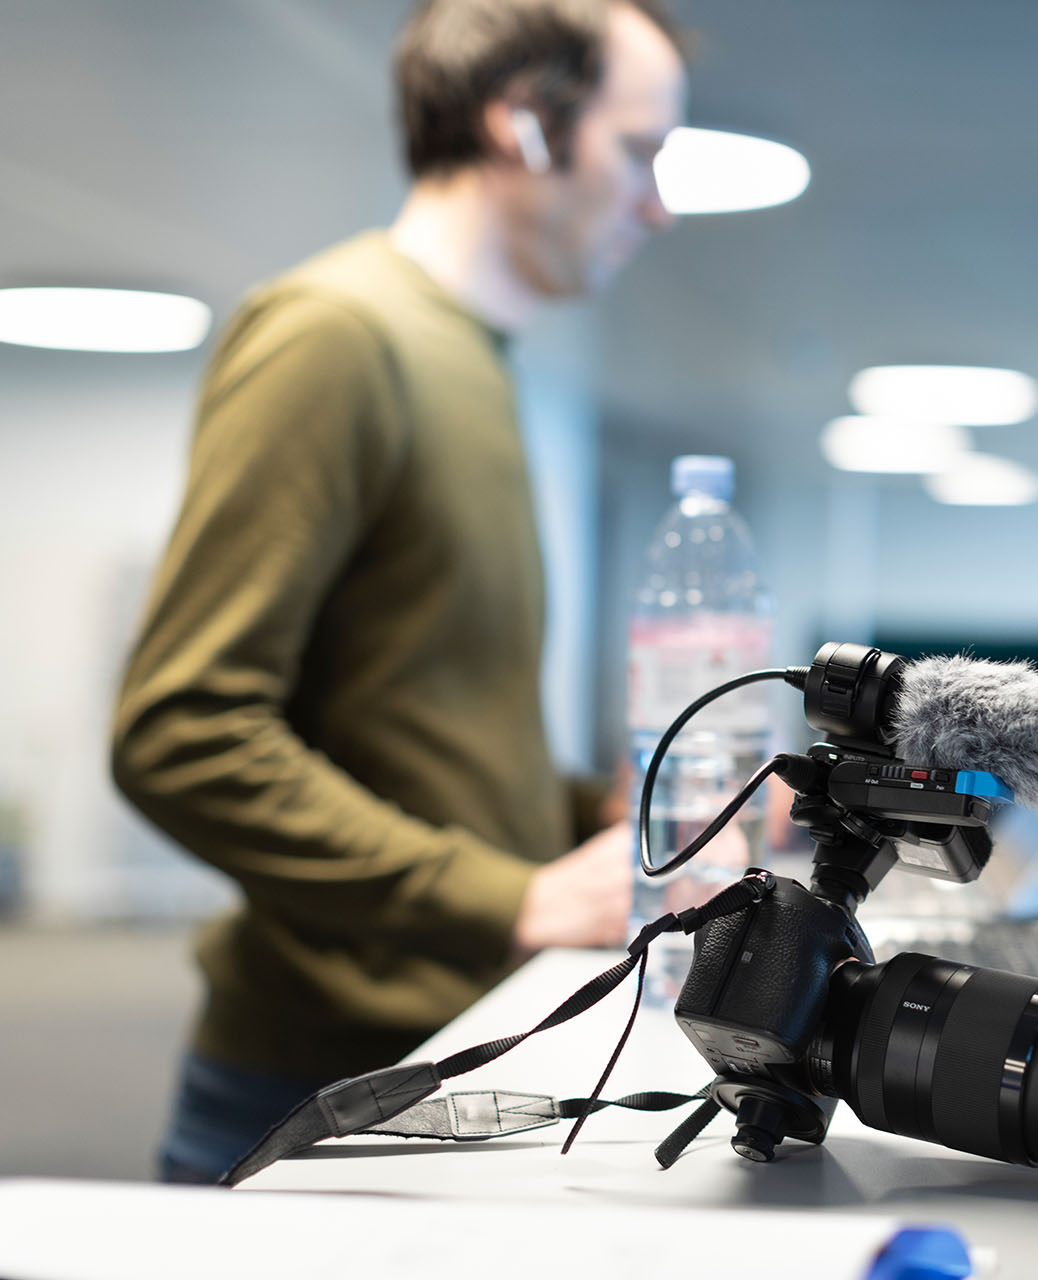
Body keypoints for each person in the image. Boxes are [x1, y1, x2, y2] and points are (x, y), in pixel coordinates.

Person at [110, 0, 687, 1183]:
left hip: (445, 1050)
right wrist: (508, 895)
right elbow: (182, 731)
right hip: (314, 1081)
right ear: (524, 124)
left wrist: (594, 814)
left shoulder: (469, 356)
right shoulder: (335, 334)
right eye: (638, 151)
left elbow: (415, 717)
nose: (657, 203)